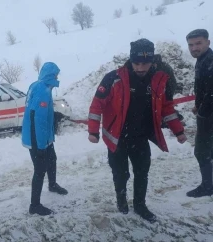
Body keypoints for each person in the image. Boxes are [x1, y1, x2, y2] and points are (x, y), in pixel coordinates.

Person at [88, 38, 187, 223]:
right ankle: (121, 199)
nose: (141, 68)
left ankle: (140, 205)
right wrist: (93, 131)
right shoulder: (113, 78)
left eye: (145, 63)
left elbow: (166, 108)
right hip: (117, 138)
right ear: (130, 60)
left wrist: (178, 131)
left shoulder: (158, 79)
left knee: (142, 172)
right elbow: (96, 105)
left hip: (141, 137)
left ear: (152, 61)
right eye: (137, 63)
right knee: (121, 173)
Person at [22, 61, 68, 216]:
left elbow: (35, 111)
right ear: (50, 75)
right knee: (40, 169)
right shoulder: (43, 90)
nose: (57, 77)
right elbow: (38, 119)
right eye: (55, 74)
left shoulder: (38, 85)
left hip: (43, 136)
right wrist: (40, 146)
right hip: (37, 138)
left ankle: (53, 185)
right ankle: (34, 205)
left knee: (52, 159)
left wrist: (54, 115)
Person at [185, 29, 213, 197]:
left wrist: (202, 112)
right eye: (190, 45)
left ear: (208, 42)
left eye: (198, 43)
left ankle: (208, 187)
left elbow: (211, 93)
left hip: (209, 115)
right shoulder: (203, 59)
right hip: (206, 111)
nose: (194, 48)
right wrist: (198, 104)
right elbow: (203, 89)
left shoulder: (210, 62)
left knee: (201, 151)